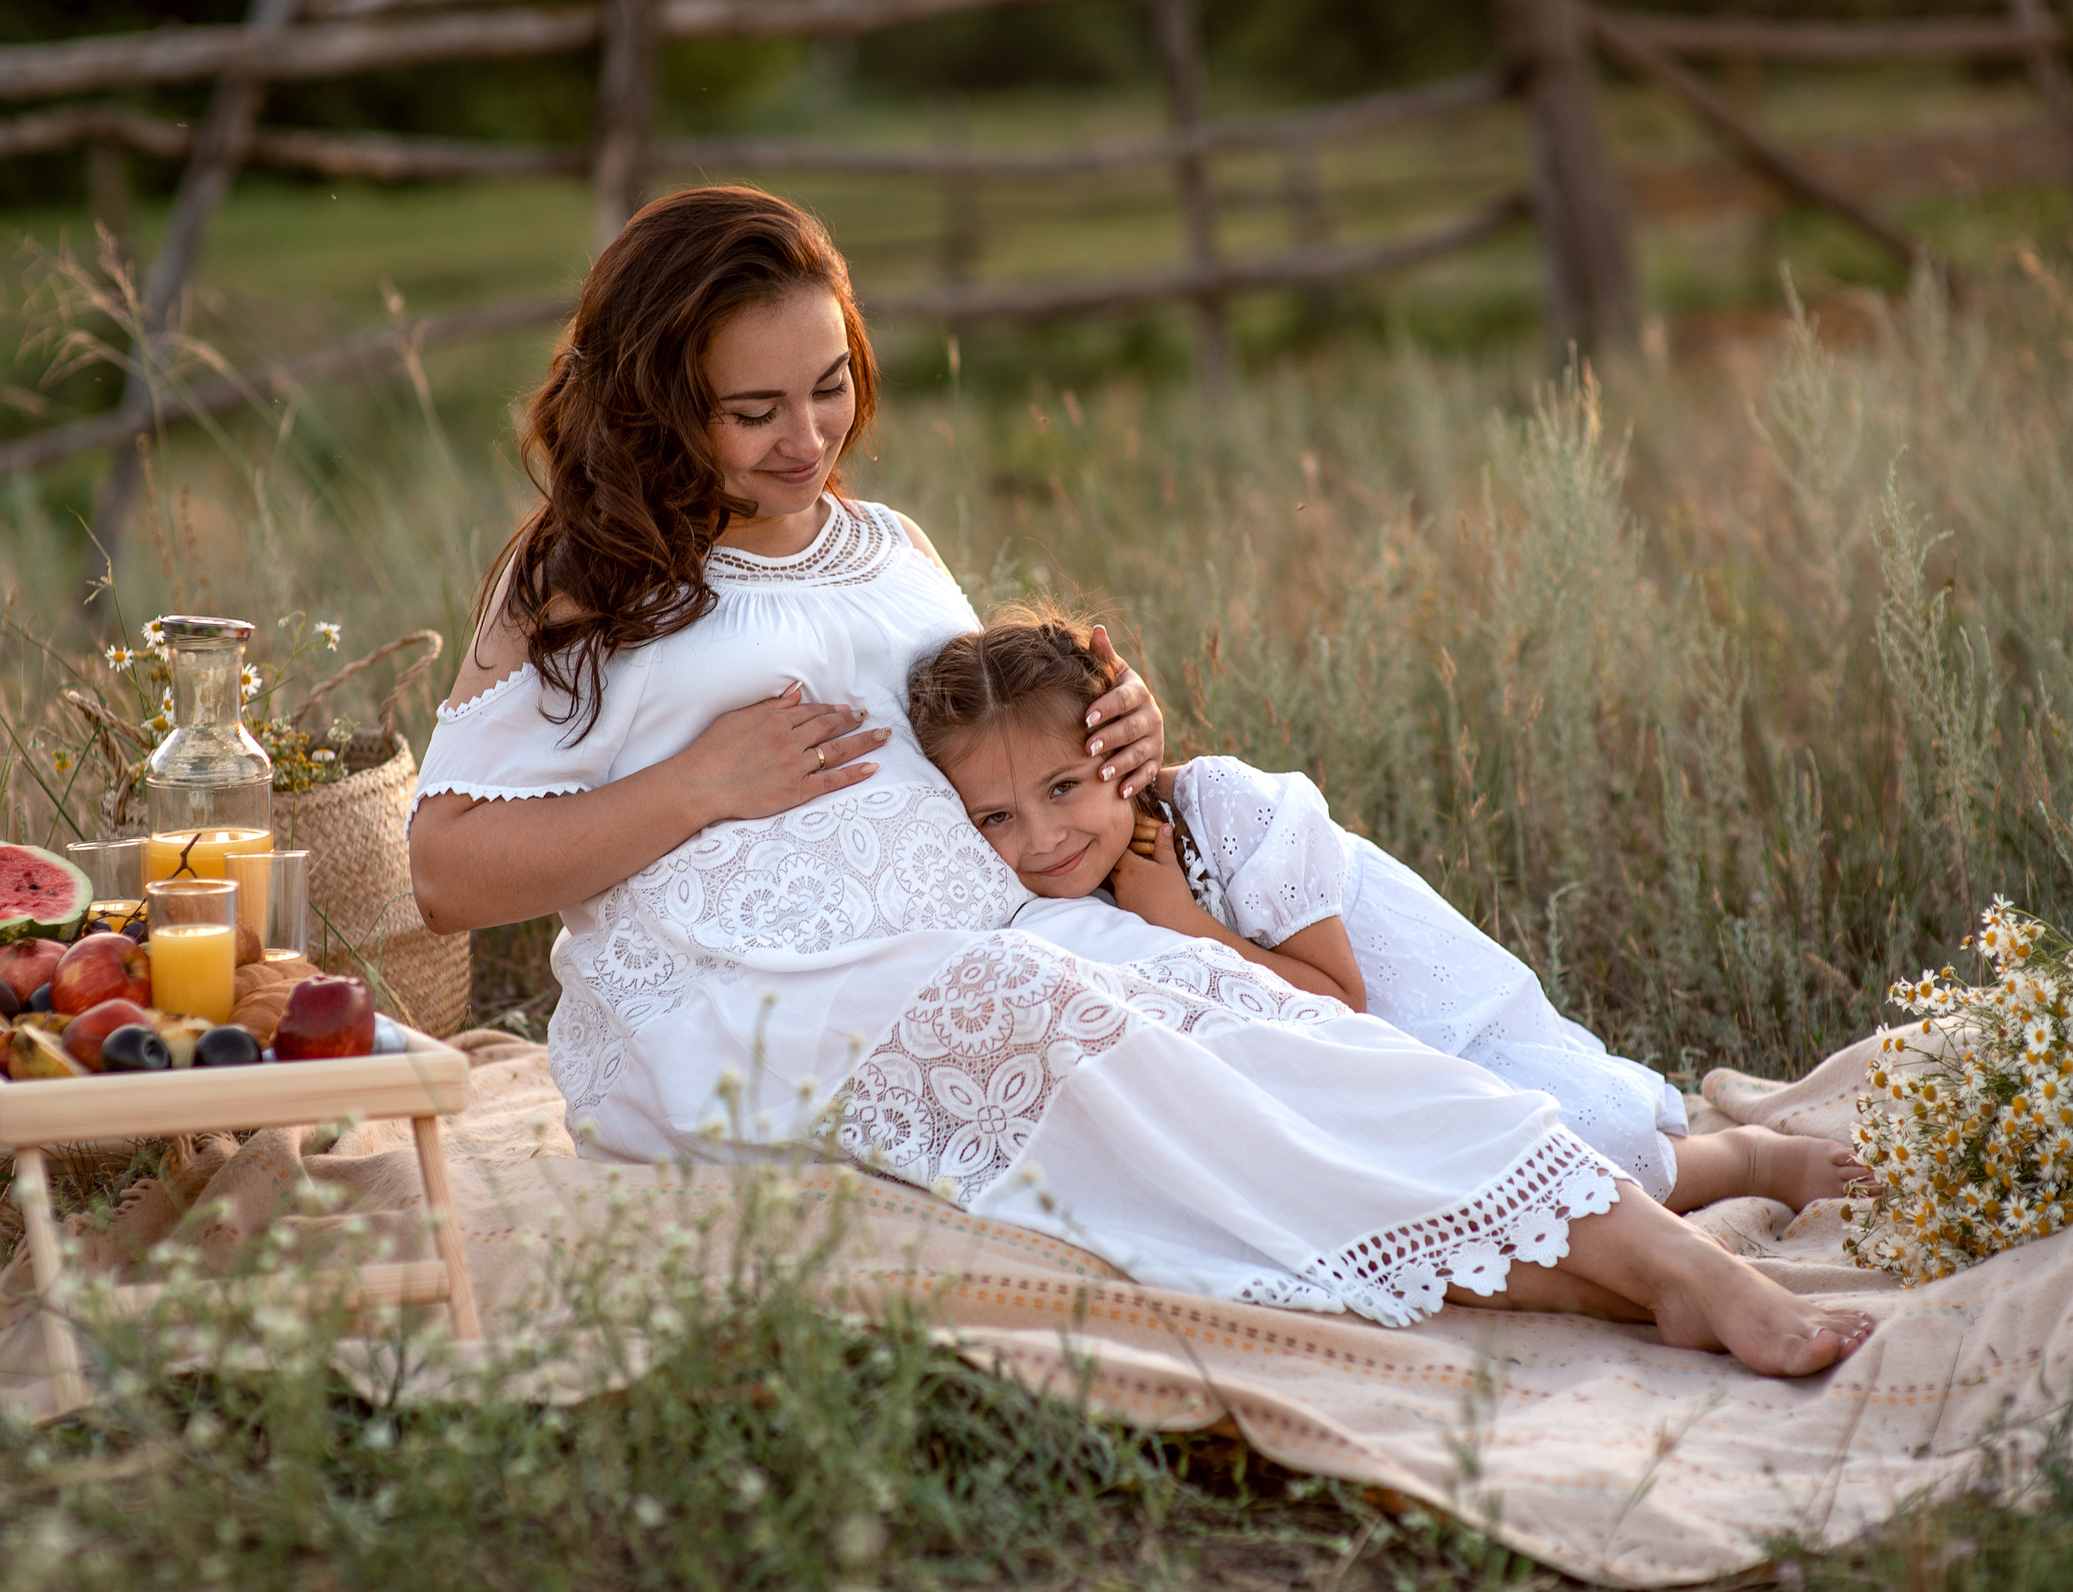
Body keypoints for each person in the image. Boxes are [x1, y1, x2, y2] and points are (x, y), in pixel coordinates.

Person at [408, 184, 1872, 1375]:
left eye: (832, 386)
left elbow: (983, 728)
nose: (809, 438)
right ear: (662, 402)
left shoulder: (890, 540)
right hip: (749, 1006)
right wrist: (699, 785)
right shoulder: (585, 582)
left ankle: (1660, 1248)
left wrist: (1108, 726)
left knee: (1278, 1028)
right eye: (755, 411)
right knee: (1135, 1064)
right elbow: (444, 868)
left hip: (1001, 926)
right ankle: (1651, 1272)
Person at [906, 612, 1871, 1214]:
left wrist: (1187, 926)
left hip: (1433, 1026)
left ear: (1117, 744)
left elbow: (1341, 999)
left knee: (1579, 1158)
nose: (1038, 838)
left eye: (1065, 785)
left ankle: (1744, 1158)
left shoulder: (1227, 815)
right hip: (1344, 1082)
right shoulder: (1064, 902)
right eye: (995, 816)